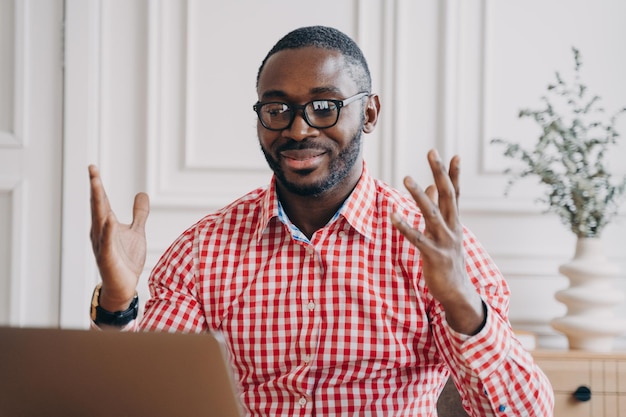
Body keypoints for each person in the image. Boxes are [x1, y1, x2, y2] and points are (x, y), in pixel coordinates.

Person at [88, 25, 554, 416]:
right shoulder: (202, 250)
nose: (298, 128)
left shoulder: (432, 246)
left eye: (325, 106)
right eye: (277, 109)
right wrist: (117, 300)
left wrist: (462, 303)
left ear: (369, 113)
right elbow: (136, 402)